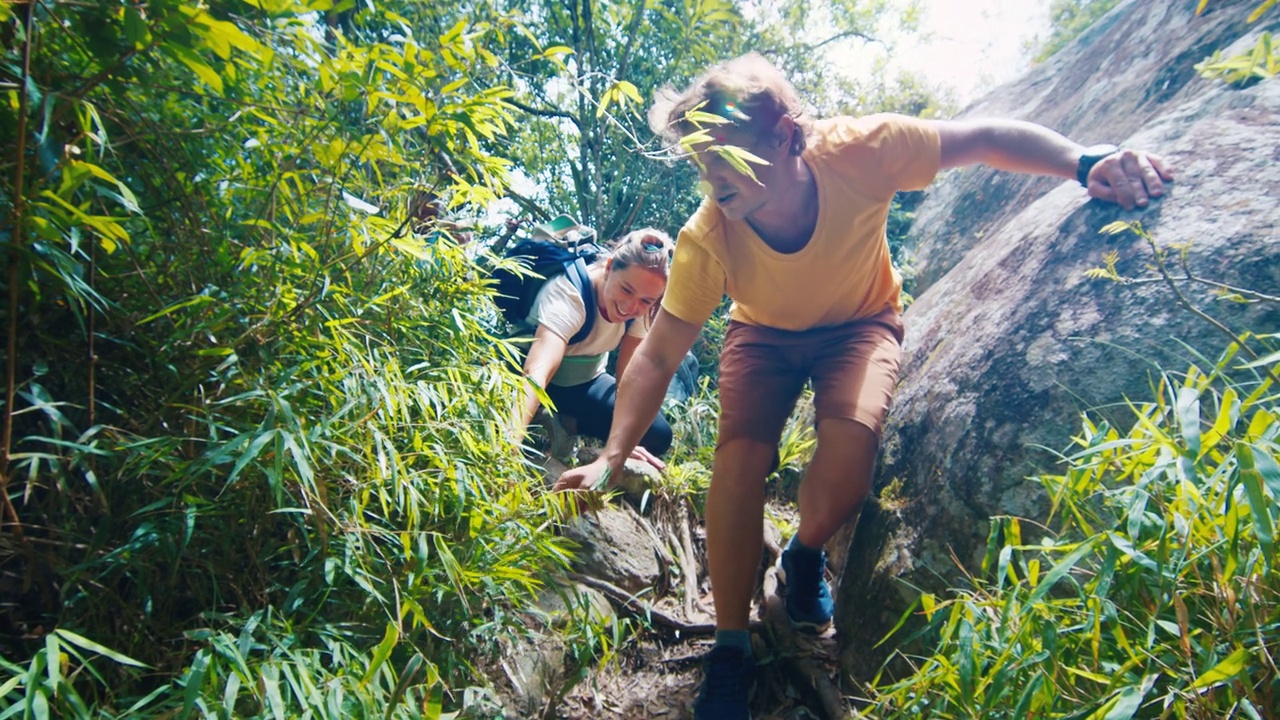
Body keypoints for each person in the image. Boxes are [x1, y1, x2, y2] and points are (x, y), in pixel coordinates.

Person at [553, 53, 1173, 719]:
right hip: (762, 336)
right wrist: (612, 455)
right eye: (701, 163)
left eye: (724, 157)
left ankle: (805, 553)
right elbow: (657, 355)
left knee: (849, 456)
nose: (711, 178)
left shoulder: (862, 151)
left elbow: (982, 139)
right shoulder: (710, 235)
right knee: (737, 462)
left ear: (787, 135)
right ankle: (730, 645)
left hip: (861, 323)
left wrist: (1086, 162)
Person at [516, 228, 677, 462]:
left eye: (646, 300)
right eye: (626, 289)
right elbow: (535, 374)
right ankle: (535, 417)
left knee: (656, 435)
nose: (631, 306)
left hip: (581, 383)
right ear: (610, 266)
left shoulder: (643, 307)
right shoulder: (569, 294)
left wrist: (619, 444)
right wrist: (509, 445)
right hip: (526, 372)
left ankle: (567, 423)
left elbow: (626, 381)